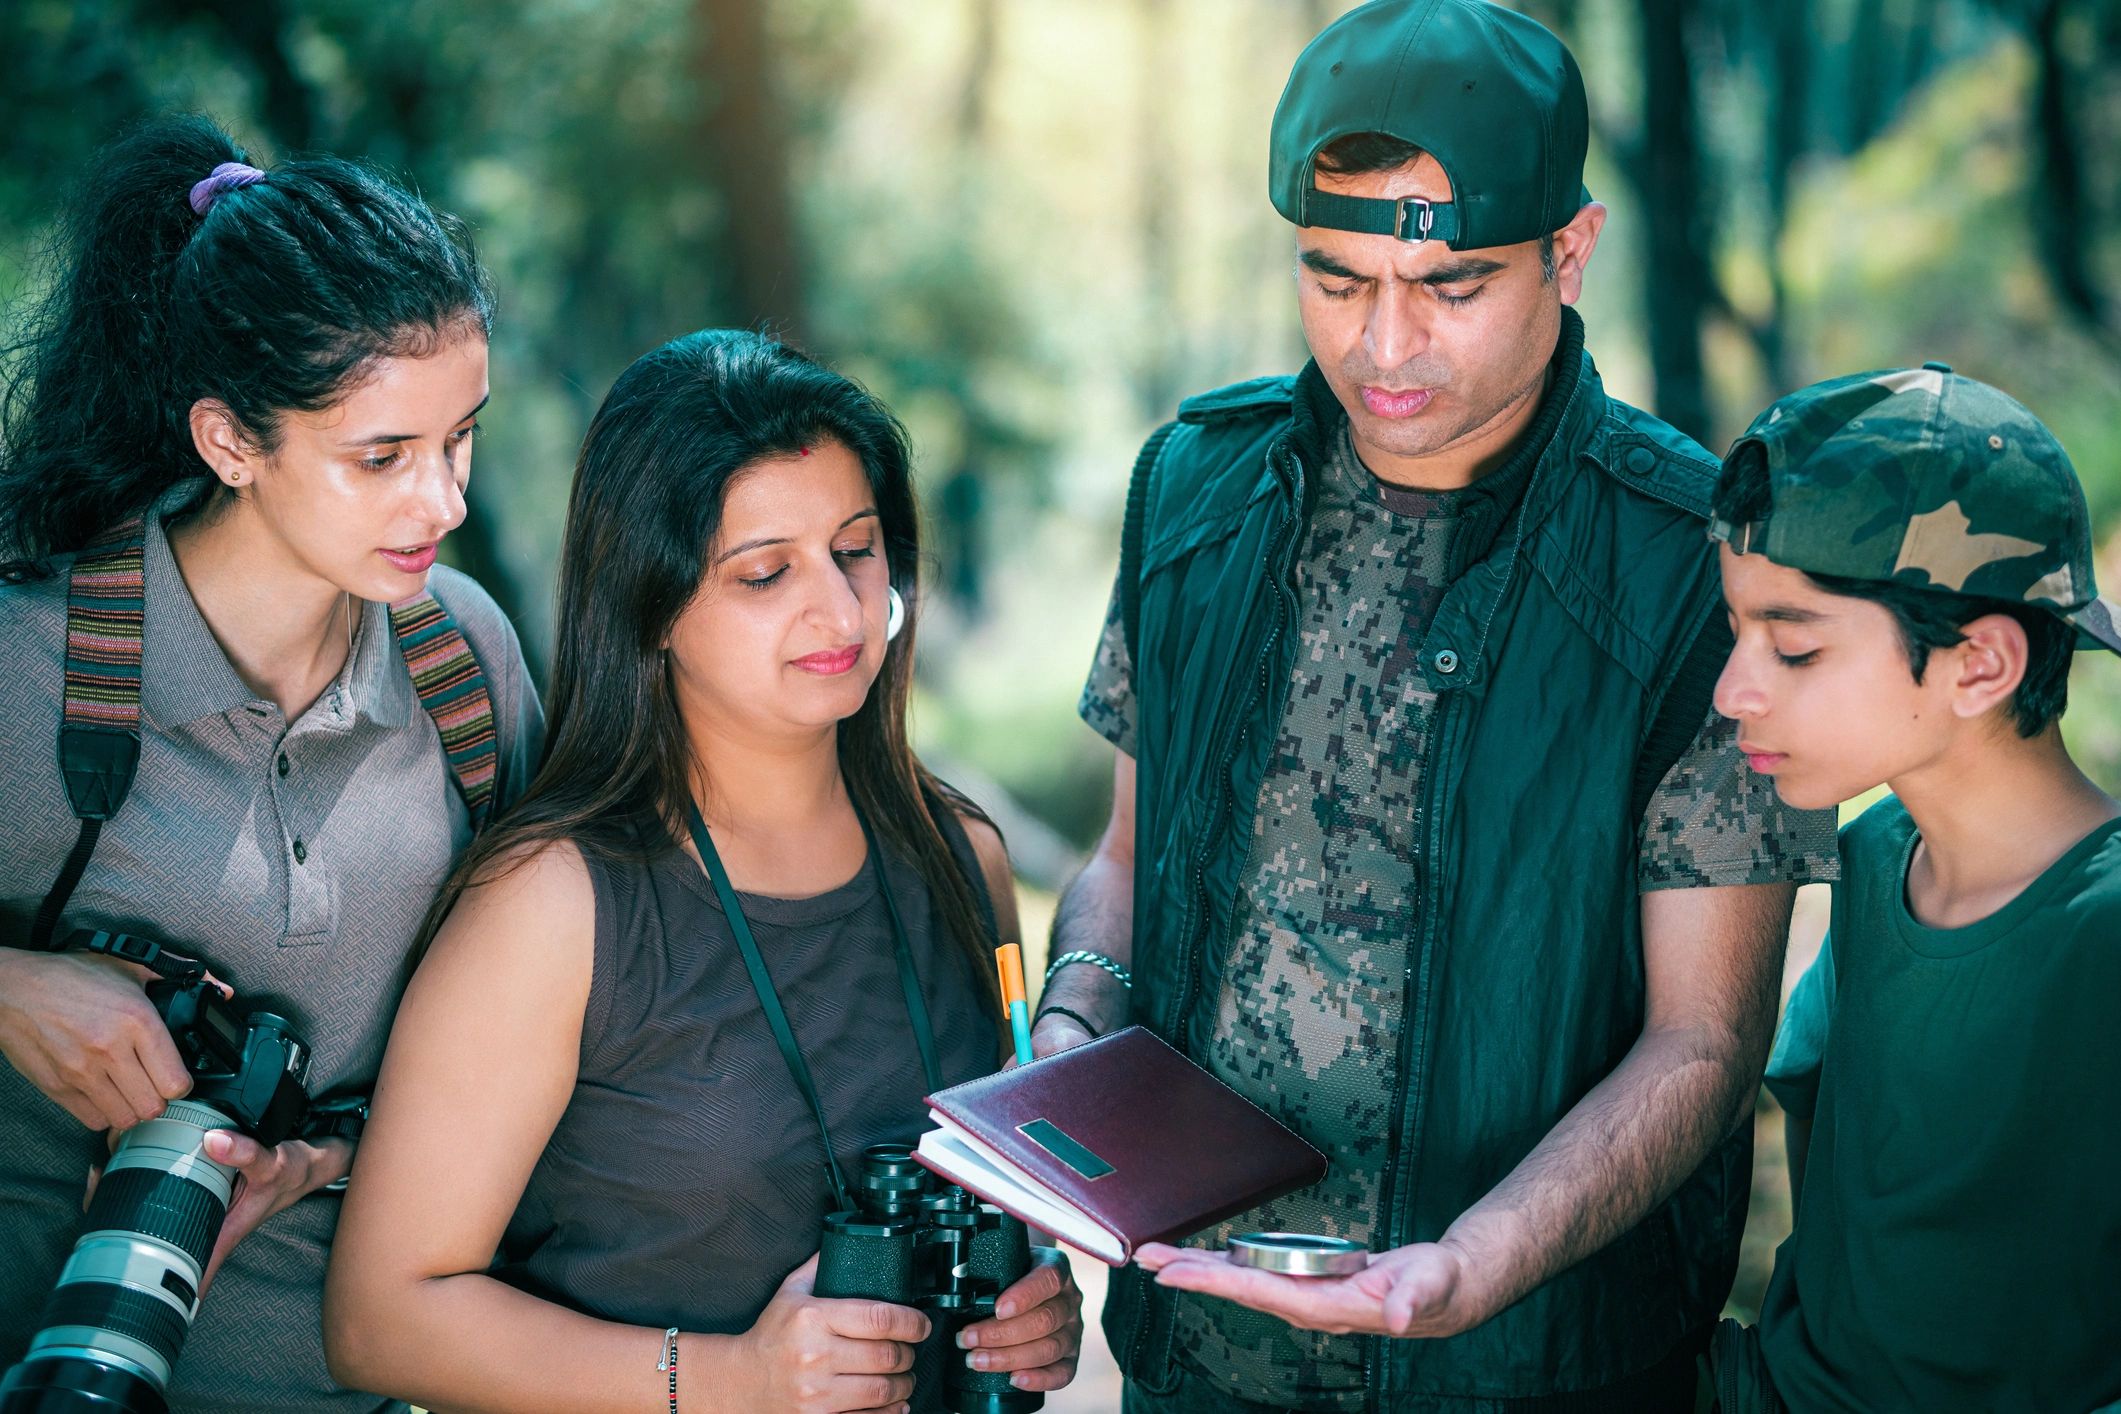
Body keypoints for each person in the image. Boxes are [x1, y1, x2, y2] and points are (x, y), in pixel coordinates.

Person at [1032, 1, 1839, 1408]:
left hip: (1535, 1365)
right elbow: (1120, 858)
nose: (1384, 348)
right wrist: (1065, 1045)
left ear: (1569, 251)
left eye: (1451, 287)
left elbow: (1702, 1041)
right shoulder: (1191, 492)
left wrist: (1467, 1264)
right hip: (1192, 1355)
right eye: (1334, 281)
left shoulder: (1695, 568)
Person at [323, 330, 1084, 1414]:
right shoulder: (549, 901)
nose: (838, 609)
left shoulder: (965, 856)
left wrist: (1036, 1306)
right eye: (765, 572)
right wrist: (732, 1378)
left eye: (857, 549)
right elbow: (377, 1319)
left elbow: (1002, 1204)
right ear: (653, 606)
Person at [0, 116, 541, 1412]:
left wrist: (329, 1153)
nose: (446, 502)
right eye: (384, 458)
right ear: (231, 442)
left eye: (460, 437)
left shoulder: (465, 661)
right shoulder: (28, 662)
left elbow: (537, 1039)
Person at [1702, 366, 2121, 1414]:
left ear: (1980, 664)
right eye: (1737, 631)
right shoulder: (1877, 851)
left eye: (1794, 648)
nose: (1733, 690)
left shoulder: (2105, 937)